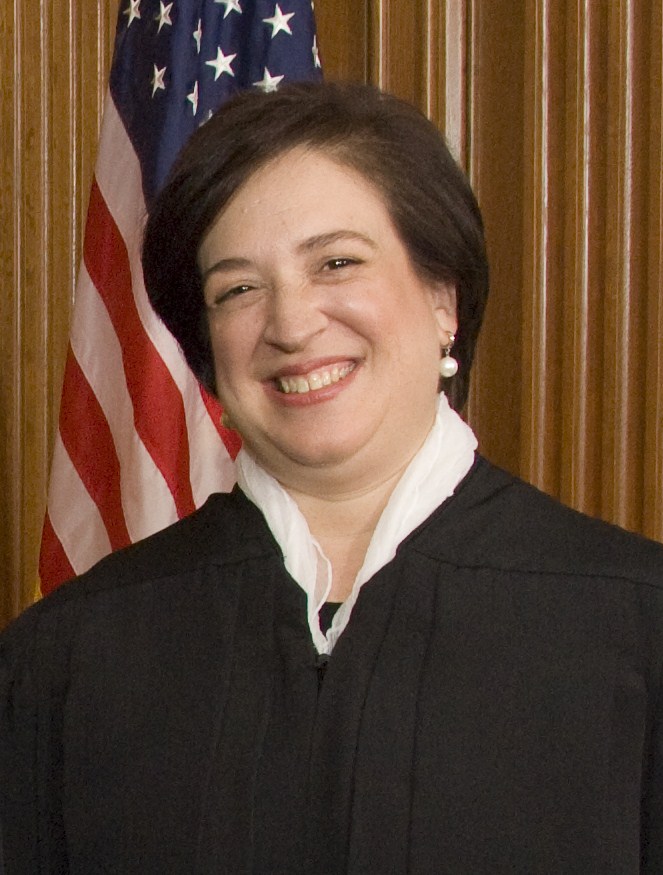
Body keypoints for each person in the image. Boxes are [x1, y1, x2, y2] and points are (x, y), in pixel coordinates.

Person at [1, 81, 663, 874]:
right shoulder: (66, 658)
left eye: (337, 262)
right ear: (206, 353)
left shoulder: (636, 624)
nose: (290, 323)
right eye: (238, 289)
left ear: (442, 296)